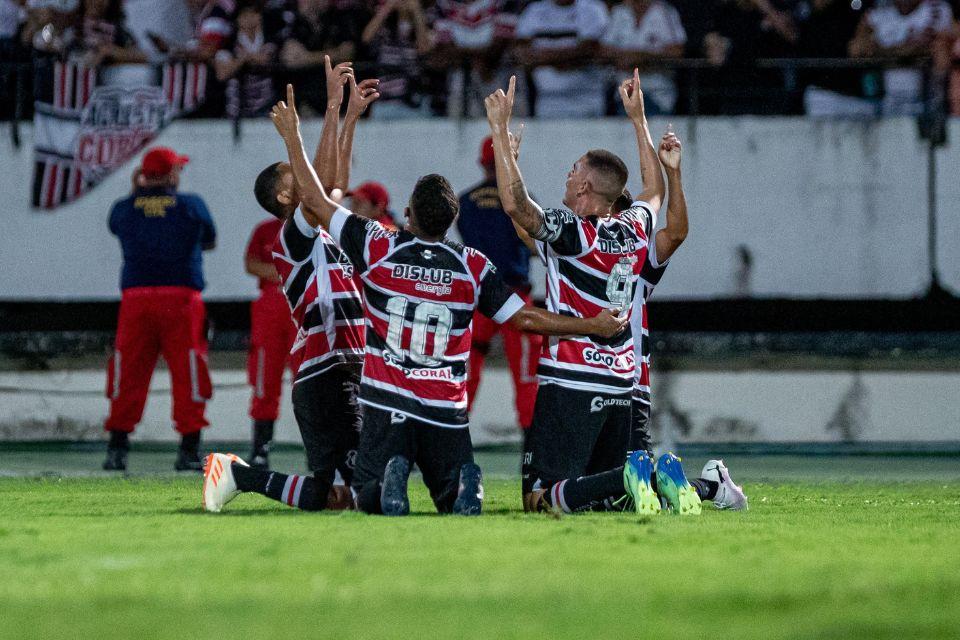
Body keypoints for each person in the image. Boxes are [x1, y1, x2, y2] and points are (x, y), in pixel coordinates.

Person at [239, 83, 627, 518]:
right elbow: (524, 318)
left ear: (408, 214)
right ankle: (463, 479)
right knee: (372, 493)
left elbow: (323, 192)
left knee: (350, 495)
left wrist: (322, 123)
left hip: (378, 388)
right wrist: (590, 324)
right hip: (401, 391)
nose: (311, 173)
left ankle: (346, 480)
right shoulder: (469, 264)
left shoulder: (377, 247)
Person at [485, 72, 738, 515]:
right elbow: (652, 191)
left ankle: (642, 473)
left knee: (538, 500)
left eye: (573, 172)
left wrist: (500, 139)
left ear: (585, 188)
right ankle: (685, 483)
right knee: (613, 503)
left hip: (573, 378)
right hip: (624, 379)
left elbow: (518, 206)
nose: (568, 176)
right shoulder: (634, 229)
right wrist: (638, 119)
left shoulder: (576, 235)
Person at [203, 59, 380, 512]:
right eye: (293, 175)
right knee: (350, 496)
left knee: (353, 492)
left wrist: (348, 115)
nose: (303, 177)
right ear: (286, 197)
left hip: (351, 365)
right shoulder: (293, 237)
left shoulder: (320, 228)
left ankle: (238, 474)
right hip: (326, 371)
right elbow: (321, 186)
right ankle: (238, 474)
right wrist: (307, 128)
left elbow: (332, 185)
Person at [620, 133, 747, 511]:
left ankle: (707, 487)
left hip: (625, 385)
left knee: (624, 494)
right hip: (592, 381)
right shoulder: (582, 253)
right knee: (606, 487)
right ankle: (707, 484)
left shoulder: (633, 260)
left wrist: (672, 173)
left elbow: (674, 233)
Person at [103, 146, 216, 472]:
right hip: (181, 300)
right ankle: (189, 450)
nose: (180, 174)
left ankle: (117, 449)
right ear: (169, 175)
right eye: (177, 169)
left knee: (128, 373)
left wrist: (137, 191)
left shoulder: (124, 208)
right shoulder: (191, 205)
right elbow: (209, 239)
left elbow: (115, 226)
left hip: (135, 301)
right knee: (189, 372)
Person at [458, 135, 540, 430]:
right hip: (515, 298)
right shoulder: (525, 202)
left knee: (466, 370)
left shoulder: (464, 202)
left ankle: (453, 436)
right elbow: (535, 246)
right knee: (526, 372)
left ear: (482, 163)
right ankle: (532, 448)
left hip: (478, 297)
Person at [243, 215, 297, 468]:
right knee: (265, 378)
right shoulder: (265, 229)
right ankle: (260, 448)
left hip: (303, 305)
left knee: (310, 381)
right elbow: (251, 263)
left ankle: (320, 449)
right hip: (272, 305)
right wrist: (284, 273)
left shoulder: (316, 225)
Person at [849, 0, 954, 115]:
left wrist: (881, 50)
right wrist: (904, 51)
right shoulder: (879, 10)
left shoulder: (937, 8)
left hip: (926, 100)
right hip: (885, 101)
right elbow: (856, 49)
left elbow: (937, 46)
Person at [514, 0, 609, 117]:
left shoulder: (593, 9)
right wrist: (567, 57)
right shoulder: (534, 11)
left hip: (586, 99)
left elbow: (589, 52)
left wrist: (541, 59)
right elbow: (522, 54)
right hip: (546, 100)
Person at [600, 0, 686, 116]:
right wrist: (634, 59)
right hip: (624, 95)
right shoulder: (619, 12)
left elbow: (677, 51)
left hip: (658, 94)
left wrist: (640, 58)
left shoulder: (665, 11)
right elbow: (604, 51)